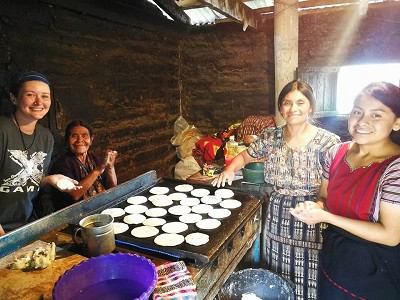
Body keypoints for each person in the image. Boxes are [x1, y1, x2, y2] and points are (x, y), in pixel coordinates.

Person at [212, 80, 340, 299]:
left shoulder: (328, 143)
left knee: (312, 275)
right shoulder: (271, 137)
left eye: (301, 102)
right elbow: (244, 156)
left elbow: (331, 188)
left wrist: (318, 207)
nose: (293, 109)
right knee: (277, 274)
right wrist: (229, 170)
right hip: (277, 216)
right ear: (281, 108)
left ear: (311, 107)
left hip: (312, 216)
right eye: (287, 103)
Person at [290, 82, 400, 299]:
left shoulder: (394, 168)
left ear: (396, 122)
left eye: (376, 115)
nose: (362, 121)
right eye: (357, 112)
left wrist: (327, 217)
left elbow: (390, 235)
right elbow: (324, 196)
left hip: (376, 270)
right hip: (335, 259)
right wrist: (315, 207)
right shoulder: (335, 153)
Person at [0, 71, 79, 235]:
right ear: (14, 98)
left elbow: (29, 180)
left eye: (45, 96)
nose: (39, 102)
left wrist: (50, 179)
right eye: (30, 95)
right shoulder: (3, 130)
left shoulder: (46, 137)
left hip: (22, 225)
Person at [50, 119, 118, 210]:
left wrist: (110, 168)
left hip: (102, 206)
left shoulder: (95, 158)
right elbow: (75, 195)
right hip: (77, 213)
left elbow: (112, 187)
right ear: (67, 140)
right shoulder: (62, 165)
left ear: (91, 139)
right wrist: (97, 170)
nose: (80, 140)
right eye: (74, 136)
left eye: (84, 136)